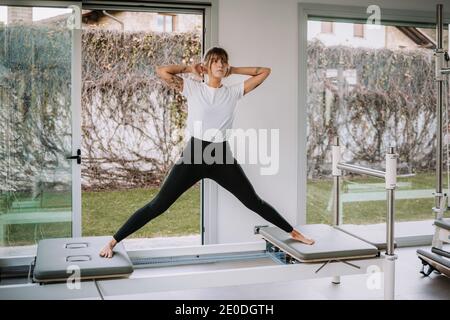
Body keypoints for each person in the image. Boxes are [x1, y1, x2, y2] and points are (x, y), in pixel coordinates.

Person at [100, 47, 314, 258]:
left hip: (221, 156)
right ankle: (113, 241)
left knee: (252, 201)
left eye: (223, 61)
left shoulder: (232, 92)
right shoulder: (193, 88)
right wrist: (190, 68)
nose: (220, 65)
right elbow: (162, 71)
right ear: (207, 66)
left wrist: (235, 70)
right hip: (194, 154)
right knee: (158, 205)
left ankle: (293, 232)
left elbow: (264, 71)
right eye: (215, 61)